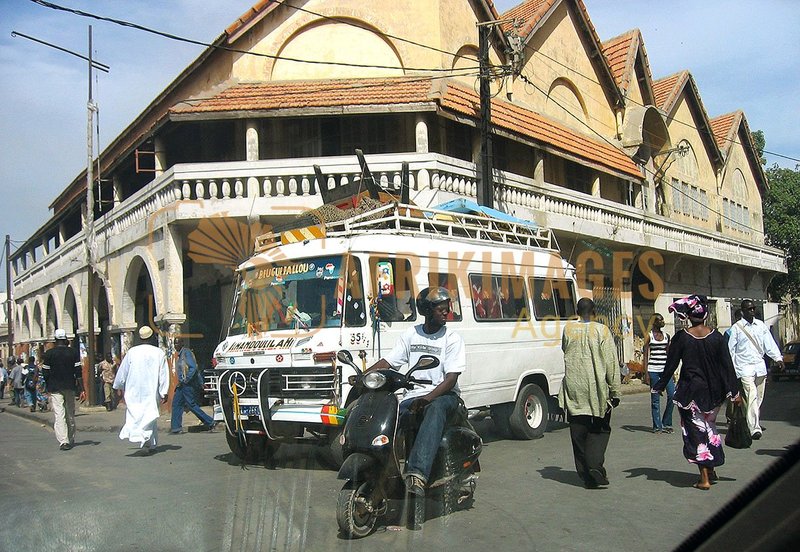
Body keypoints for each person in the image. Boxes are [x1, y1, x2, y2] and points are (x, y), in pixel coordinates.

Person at [364, 286, 466, 496]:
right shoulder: (412, 334)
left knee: (435, 408)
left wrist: (427, 398)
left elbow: (451, 379)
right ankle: (380, 469)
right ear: (427, 311)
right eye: (441, 309)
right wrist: (364, 376)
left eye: (447, 308)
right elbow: (390, 362)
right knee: (387, 414)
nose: (446, 312)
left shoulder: (452, 339)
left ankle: (417, 475)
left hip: (444, 397)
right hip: (413, 396)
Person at [653, 295, 740, 490]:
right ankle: (711, 470)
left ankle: (704, 479)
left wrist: (659, 386)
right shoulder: (717, 337)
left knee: (696, 434)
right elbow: (727, 367)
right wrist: (734, 393)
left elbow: (671, 365)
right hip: (714, 394)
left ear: (688, 317)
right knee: (709, 428)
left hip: (690, 394)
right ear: (706, 315)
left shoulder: (681, 338)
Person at [559, 298, 621, 489]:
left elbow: (564, 349)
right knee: (599, 430)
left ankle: (586, 476)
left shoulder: (568, 329)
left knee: (578, 432)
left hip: (574, 388)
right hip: (596, 389)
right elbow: (611, 361)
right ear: (594, 311)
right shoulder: (602, 330)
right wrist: (615, 390)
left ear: (577, 311)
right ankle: (594, 466)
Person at [727, 299, 783, 440]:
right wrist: (733, 370)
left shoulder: (761, 326)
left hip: (759, 367)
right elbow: (731, 350)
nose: (752, 311)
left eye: (753, 308)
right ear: (743, 311)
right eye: (749, 309)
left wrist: (778, 358)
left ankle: (750, 421)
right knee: (751, 395)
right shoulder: (737, 328)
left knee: (758, 398)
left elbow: (768, 344)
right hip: (744, 368)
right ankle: (754, 429)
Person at [113, 326, 169, 455]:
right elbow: (163, 374)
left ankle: (150, 443)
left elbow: (123, 371)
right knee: (149, 414)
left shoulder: (132, 352)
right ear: (151, 337)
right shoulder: (158, 352)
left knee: (146, 415)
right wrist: (163, 390)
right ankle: (146, 442)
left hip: (134, 389)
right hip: (151, 389)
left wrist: (118, 386)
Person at [41, 329, 86, 451]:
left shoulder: (49, 354)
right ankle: (70, 438)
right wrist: (82, 389)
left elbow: (45, 372)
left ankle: (63, 441)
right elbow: (78, 372)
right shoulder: (73, 353)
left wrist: (48, 384)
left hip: (55, 388)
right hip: (70, 387)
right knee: (70, 413)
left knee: (59, 414)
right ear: (66, 339)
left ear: (55, 340)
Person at [169, 337, 215, 434]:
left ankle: (209, 421)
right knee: (176, 404)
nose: (175, 346)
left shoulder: (186, 353)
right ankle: (176, 428)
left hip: (187, 385)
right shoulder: (180, 355)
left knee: (191, 405)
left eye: (177, 343)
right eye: (174, 344)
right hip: (182, 385)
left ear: (182, 343)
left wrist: (187, 380)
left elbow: (193, 368)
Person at [643, 313, 673, 433]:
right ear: (654, 322)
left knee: (672, 395)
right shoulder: (649, 336)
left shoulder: (667, 336)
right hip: (653, 371)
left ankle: (666, 422)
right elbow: (645, 354)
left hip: (665, 372)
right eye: (660, 320)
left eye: (663, 319)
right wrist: (646, 374)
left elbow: (668, 354)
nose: (662, 322)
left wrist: (672, 371)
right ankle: (657, 426)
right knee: (655, 399)